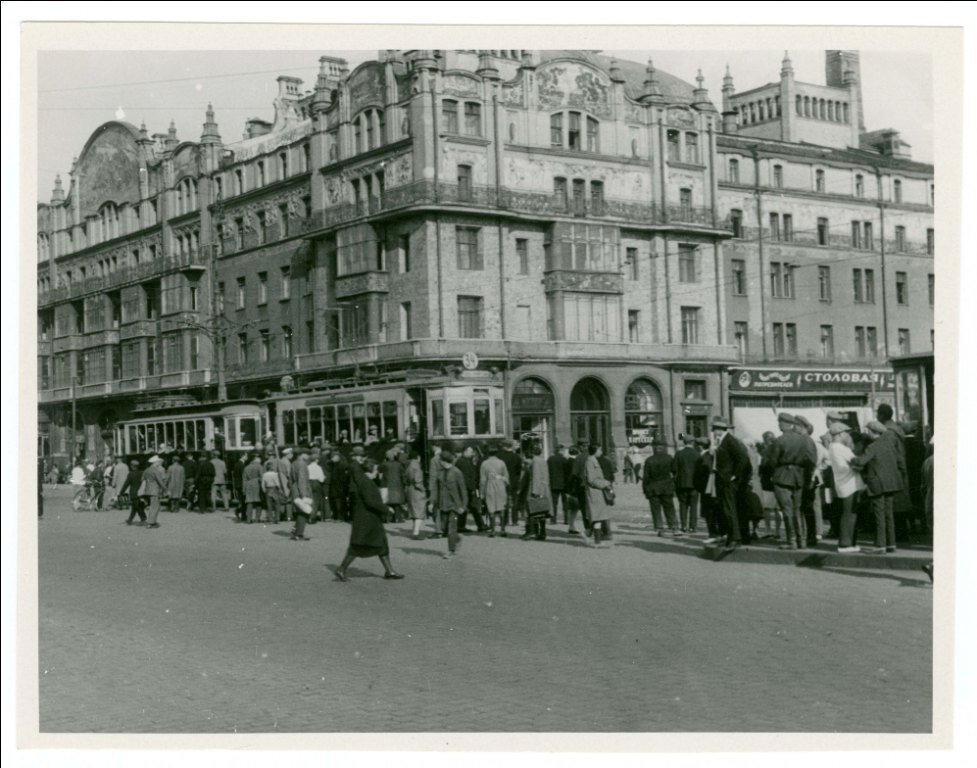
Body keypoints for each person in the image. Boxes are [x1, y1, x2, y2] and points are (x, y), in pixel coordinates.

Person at [335, 458, 404, 581]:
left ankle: (390, 571)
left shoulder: (363, 480)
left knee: (382, 544)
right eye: (376, 469)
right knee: (358, 546)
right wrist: (386, 509)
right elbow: (370, 502)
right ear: (371, 469)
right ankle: (341, 569)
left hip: (368, 518)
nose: (377, 472)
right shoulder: (367, 483)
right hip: (368, 519)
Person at [851, 420, 907, 554]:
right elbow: (901, 463)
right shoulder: (890, 444)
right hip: (891, 483)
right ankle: (891, 544)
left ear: (872, 432)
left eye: (868, 430)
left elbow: (861, 461)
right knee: (889, 514)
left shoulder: (872, 447)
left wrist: (851, 459)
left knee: (879, 514)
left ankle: (880, 545)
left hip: (877, 484)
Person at [767, 413, 817, 550]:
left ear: (784, 424)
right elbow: (810, 461)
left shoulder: (779, 441)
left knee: (787, 510)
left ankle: (791, 541)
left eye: (780, 422)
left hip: (782, 476)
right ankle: (802, 540)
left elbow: (772, 462)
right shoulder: (803, 440)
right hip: (798, 477)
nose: (778, 425)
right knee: (797, 510)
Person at [711, 419, 751, 551]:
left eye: (714, 429)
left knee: (729, 509)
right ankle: (732, 537)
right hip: (723, 480)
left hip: (728, 480)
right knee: (727, 508)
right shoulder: (723, 440)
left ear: (719, 430)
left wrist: (735, 475)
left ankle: (734, 538)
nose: (713, 432)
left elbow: (742, 458)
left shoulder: (729, 440)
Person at [827, 422, 865, 552]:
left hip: (843, 483)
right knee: (849, 514)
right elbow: (856, 462)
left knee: (849, 513)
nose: (848, 435)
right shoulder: (841, 448)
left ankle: (849, 542)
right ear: (840, 434)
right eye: (846, 432)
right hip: (850, 484)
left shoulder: (832, 447)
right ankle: (845, 543)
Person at [642, 438, 678, 536]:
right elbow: (675, 472)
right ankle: (674, 527)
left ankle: (659, 528)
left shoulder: (649, 460)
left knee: (656, 509)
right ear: (663, 448)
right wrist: (672, 482)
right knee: (669, 507)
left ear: (654, 448)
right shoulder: (669, 458)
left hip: (653, 488)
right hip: (667, 487)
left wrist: (645, 490)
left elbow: (646, 477)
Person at [438, 451, 468, 558]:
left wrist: (463, 506)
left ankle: (451, 550)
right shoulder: (440, 472)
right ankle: (457, 538)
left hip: (455, 504)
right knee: (443, 528)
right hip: (443, 504)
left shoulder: (457, 472)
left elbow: (463, 490)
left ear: (443, 460)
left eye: (439, 460)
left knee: (451, 528)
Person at [479, 443, 510, 537]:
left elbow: (483, 480)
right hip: (500, 485)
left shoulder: (484, 464)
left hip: (490, 485)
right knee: (501, 507)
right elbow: (506, 477)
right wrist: (503, 482)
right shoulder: (501, 462)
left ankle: (492, 530)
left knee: (491, 507)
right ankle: (503, 529)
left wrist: (482, 493)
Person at [521, 444, 551, 541]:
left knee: (532, 509)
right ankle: (542, 532)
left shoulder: (535, 461)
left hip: (536, 487)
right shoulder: (542, 460)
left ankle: (532, 531)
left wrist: (535, 491)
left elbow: (536, 476)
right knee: (542, 511)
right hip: (544, 487)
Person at [585, 445, 612, 547]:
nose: (601, 451)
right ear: (595, 450)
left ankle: (595, 539)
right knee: (597, 516)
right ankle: (597, 541)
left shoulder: (593, 460)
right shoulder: (590, 462)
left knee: (598, 516)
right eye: (599, 449)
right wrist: (605, 484)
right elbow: (592, 479)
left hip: (597, 493)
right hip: (595, 493)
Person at [455, 445, 487, 533]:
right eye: (470, 452)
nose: (472, 453)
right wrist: (472, 488)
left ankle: (462, 526)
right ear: (465, 451)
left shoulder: (464, 461)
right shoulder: (462, 462)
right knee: (473, 507)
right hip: (466, 489)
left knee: (469, 507)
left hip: (466, 488)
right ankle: (480, 525)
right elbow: (467, 477)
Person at [673, 435, 701, 534]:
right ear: (692, 442)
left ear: (684, 442)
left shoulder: (678, 454)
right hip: (694, 484)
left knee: (683, 505)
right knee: (694, 506)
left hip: (681, 484)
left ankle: (683, 526)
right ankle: (693, 527)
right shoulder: (697, 454)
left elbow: (674, 469)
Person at [289, 447, 313, 541]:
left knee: (300, 511)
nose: (308, 456)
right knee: (304, 512)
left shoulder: (294, 463)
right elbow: (302, 480)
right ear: (301, 454)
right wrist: (304, 495)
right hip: (301, 490)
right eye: (306, 454)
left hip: (295, 488)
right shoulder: (302, 464)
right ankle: (299, 534)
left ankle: (296, 531)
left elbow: (291, 479)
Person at [404, 447, 428, 539]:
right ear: (418, 457)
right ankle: (416, 533)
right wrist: (423, 490)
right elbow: (418, 481)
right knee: (419, 510)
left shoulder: (408, 465)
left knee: (414, 511)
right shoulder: (416, 466)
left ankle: (414, 530)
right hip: (417, 490)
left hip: (410, 489)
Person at [141, 455, 167, 529]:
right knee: (155, 506)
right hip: (155, 490)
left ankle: (152, 521)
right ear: (155, 462)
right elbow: (160, 482)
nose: (159, 462)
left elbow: (142, 479)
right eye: (158, 461)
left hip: (148, 490)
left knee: (152, 506)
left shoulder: (146, 470)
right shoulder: (156, 470)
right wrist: (165, 489)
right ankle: (151, 523)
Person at [383, 445, 407, 523]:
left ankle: (387, 518)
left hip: (387, 485)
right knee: (397, 503)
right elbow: (403, 475)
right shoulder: (398, 464)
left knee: (388, 502)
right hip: (397, 485)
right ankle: (397, 518)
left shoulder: (384, 464)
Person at [547, 444, 570, 525]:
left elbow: (548, 471)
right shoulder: (565, 459)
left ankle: (553, 519)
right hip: (564, 484)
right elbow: (567, 472)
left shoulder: (550, 459)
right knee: (565, 502)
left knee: (554, 503)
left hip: (553, 483)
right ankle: (567, 519)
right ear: (561, 451)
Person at [120, 460, 146, 525]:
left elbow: (126, 484)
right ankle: (130, 520)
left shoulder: (131, 474)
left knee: (137, 506)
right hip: (140, 492)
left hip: (133, 493)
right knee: (135, 506)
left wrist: (121, 492)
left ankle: (143, 517)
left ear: (132, 466)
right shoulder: (141, 473)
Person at [242, 455, 264, 523]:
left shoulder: (246, 467)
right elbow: (262, 477)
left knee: (249, 502)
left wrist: (244, 489)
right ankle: (257, 518)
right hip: (257, 485)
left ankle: (249, 519)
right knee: (259, 502)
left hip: (248, 485)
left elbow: (244, 479)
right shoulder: (259, 467)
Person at [308, 449, 327, 523]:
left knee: (310, 500)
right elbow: (321, 479)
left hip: (309, 483)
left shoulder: (308, 467)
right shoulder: (318, 468)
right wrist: (324, 477)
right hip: (316, 483)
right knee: (316, 501)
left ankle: (309, 515)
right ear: (316, 460)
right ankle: (313, 517)